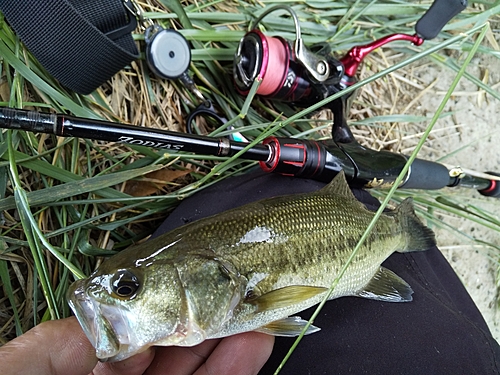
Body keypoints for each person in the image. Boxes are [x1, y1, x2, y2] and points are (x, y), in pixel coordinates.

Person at [1, 171, 500, 374]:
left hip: (356, 242)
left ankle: (400, 227)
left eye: (127, 287)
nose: (114, 297)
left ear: (205, 274)